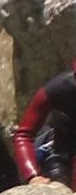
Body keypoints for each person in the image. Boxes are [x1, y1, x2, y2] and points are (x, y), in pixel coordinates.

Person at [9, 56, 75, 186]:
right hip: (60, 153)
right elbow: (23, 135)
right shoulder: (60, 88)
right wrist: (33, 176)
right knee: (58, 182)